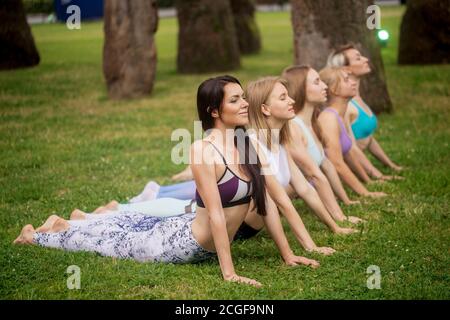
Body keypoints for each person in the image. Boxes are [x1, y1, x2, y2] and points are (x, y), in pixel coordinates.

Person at [14, 75, 323, 287]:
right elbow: (216, 214)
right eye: (235, 100)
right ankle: (36, 236)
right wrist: (229, 273)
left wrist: (288, 254)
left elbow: (267, 203)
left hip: (185, 223)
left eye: (244, 97)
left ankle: (66, 222)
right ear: (214, 111)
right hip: (182, 244)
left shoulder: (247, 144)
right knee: (112, 243)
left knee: (130, 221)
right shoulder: (202, 150)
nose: (245, 104)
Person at [282, 65, 363, 224]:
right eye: (317, 82)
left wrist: (346, 201)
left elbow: (326, 165)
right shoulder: (293, 127)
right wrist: (339, 218)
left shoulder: (312, 122)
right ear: (301, 89)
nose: (324, 86)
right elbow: (315, 176)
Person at [327, 44, 403, 173]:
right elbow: (351, 149)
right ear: (347, 69)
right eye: (358, 58)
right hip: (349, 171)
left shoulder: (356, 99)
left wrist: (392, 166)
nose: (365, 59)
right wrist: (376, 175)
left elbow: (368, 138)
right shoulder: (346, 106)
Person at [317, 67, 387, 198]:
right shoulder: (329, 119)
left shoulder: (338, 115)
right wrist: (365, 193)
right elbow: (336, 163)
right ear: (333, 89)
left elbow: (348, 152)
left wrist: (368, 181)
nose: (353, 82)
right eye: (346, 80)